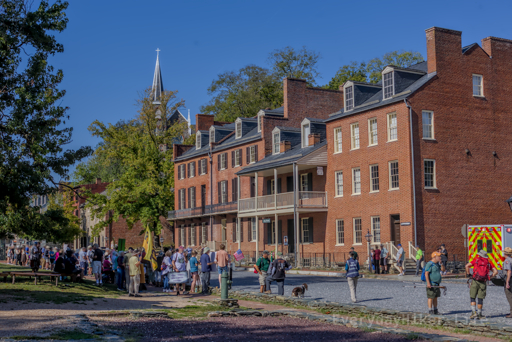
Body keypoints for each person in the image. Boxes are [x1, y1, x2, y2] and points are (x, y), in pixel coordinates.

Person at [465, 250, 497, 319]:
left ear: (479, 255)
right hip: (483, 282)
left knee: (472, 297)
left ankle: (473, 313)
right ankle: (479, 314)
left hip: (475, 280)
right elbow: (496, 271)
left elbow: (467, 266)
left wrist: (468, 274)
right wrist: (490, 277)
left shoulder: (476, 260)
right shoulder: (488, 262)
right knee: (480, 298)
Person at [503, 247, 512, 318]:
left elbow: (509, 271)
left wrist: (507, 282)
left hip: (510, 279)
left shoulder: (507, 261)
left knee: (509, 296)